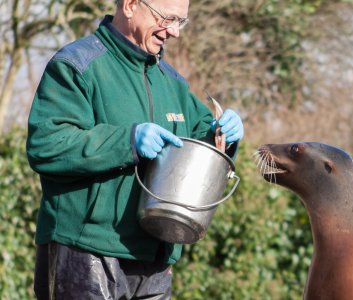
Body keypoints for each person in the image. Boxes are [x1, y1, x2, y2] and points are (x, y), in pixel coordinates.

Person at [26, 0, 244, 298]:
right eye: (168, 18)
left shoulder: (173, 83)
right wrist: (127, 141)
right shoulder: (76, 66)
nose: (175, 32)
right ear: (130, 5)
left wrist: (223, 138)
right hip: (85, 251)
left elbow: (203, 146)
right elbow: (47, 145)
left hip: (154, 258)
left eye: (181, 22)